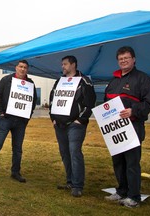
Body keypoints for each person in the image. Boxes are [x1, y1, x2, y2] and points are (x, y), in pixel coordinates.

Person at [104, 46, 150, 207]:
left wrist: (133, 110)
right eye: (121, 59)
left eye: (126, 58)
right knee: (118, 161)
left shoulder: (142, 79)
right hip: (116, 129)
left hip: (133, 126)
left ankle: (134, 197)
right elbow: (107, 103)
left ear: (133, 59)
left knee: (132, 163)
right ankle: (121, 191)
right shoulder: (113, 81)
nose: (123, 61)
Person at [0, 60, 37, 183]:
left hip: (20, 121)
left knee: (17, 149)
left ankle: (15, 172)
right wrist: (0, 113)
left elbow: (33, 101)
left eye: (25, 67)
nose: (22, 69)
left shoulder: (30, 84)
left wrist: (27, 117)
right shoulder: (6, 80)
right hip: (5, 119)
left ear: (27, 69)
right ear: (16, 68)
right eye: (20, 67)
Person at [49, 55, 96, 197]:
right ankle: (69, 181)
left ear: (73, 65)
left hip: (76, 125)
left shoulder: (84, 81)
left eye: (65, 64)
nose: (62, 67)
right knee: (65, 154)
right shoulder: (59, 81)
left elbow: (90, 103)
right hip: (60, 125)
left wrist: (81, 120)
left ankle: (77, 185)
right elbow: (52, 99)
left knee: (74, 152)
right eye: (62, 64)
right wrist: (53, 118)